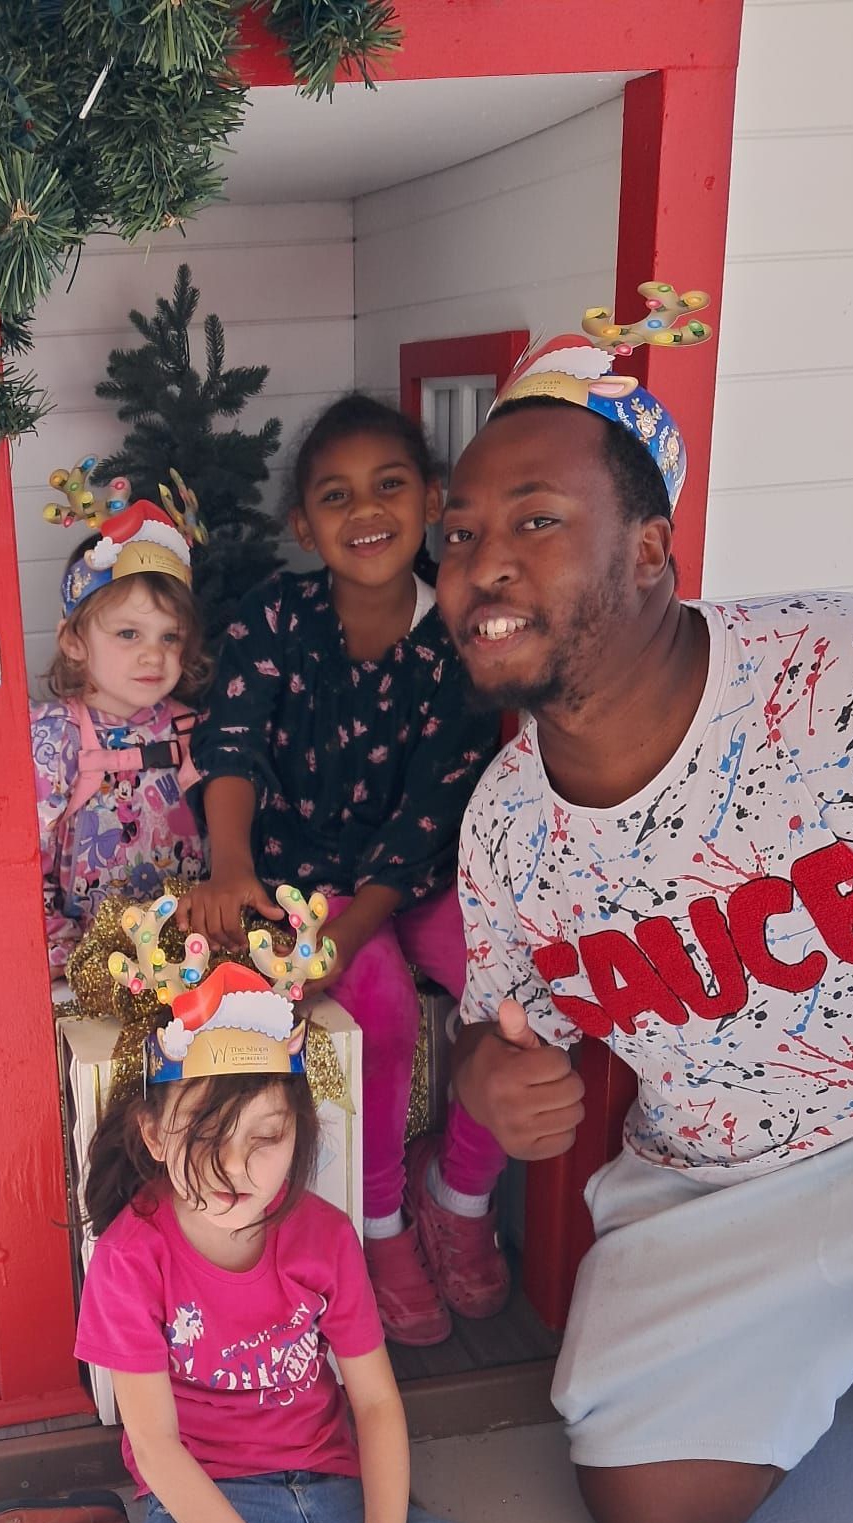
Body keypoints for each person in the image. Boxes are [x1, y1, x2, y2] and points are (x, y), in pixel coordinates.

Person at [439, 302, 853, 1523]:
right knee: (642, 1505)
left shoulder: (834, 672)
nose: (483, 563)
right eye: (461, 536)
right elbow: (499, 1032)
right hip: (723, 1184)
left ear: (648, 552)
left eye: (536, 520)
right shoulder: (506, 829)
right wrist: (491, 1081)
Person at [0, 917, 572, 1523]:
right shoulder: (133, 1259)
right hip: (216, 1511)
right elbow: (158, 1449)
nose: (240, 1169)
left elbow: (376, 1406)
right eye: (209, 1136)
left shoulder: (325, 1238)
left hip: (337, 1501)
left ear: (299, 1133)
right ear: (157, 1135)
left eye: (268, 1138)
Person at [182, 394, 508, 1347]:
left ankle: (460, 1192)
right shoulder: (275, 617)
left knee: (507, 978)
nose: (364, 510)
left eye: (390, 484)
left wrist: (352, 930)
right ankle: (380, 1222)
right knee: (385, 1012)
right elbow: (230, 744)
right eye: (335, 494)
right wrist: (233, 869)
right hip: (299, 875)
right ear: (303, 523)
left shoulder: (455, 638)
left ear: (433, 500)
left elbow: (427, 814)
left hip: (419, 873)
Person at [32, 462, 209, 979]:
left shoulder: (189, 730)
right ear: (74, 641)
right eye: (129, 634)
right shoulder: (54, 737)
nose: (153, 656)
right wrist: (67, 957)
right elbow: (26, 862)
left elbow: (223, 843)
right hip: (84, 968)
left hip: (184, 964)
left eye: (168, 637)